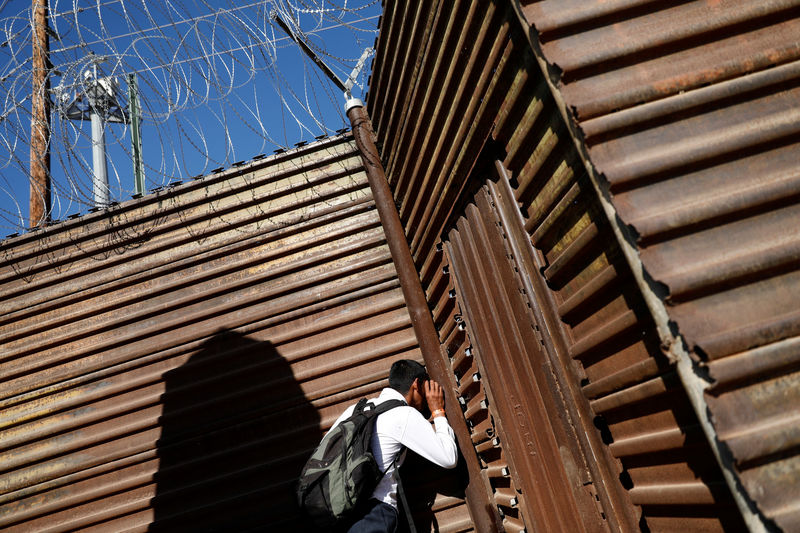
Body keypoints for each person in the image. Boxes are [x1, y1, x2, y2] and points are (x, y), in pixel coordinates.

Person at [330, 359, 458, 533]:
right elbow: (448, 458)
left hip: (341, 515)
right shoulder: (403, 414)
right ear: (417, 385)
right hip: (375, 514)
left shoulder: (355, 410)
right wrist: (438, 411)